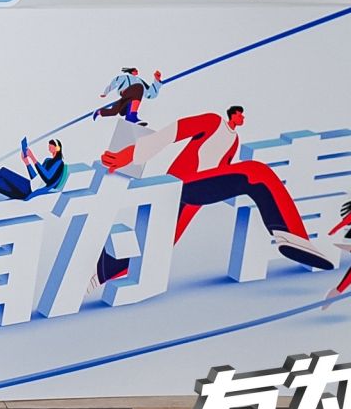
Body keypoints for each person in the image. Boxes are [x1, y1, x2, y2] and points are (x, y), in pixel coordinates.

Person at [96, 105, 334, 283]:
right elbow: (172, 133)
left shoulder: (234, 141)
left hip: (197, 193)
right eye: (241, 115)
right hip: (182, 184)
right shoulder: (213, 121)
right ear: (234, 114)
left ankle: (99, 271)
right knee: (256, 173)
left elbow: (222, 172)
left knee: (160, 243)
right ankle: (292, 236)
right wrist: (133, 154)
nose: (243, 119)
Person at [0, 139, 66, 208]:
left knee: (3, 172)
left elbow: (47, 178)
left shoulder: (59, 163)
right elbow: (36, 178)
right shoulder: (47, 160)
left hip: (29, 191)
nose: (49, 147)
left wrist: (33, 158)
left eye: (51, 145)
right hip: (29, 186)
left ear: (57, 148)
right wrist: (27, 162)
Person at [97, 68, 163, 124]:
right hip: (126, 94)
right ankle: (131, 116)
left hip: (129, 102)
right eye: (135, 70)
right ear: (131, 71)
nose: (137, 72)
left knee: (115, 111)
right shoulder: (124, 77)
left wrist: (156, 81)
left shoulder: (139, 80)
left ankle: (130, 118)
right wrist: (105, 93)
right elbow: (113, 84)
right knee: (138, 87)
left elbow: (149, 94)